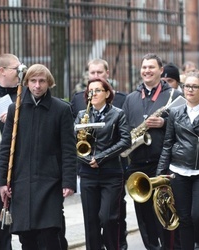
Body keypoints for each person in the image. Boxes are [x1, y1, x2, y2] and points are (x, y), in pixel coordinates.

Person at [0, 64, 77, 250]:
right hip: (22, 182)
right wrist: (2, 182)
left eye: (42, 81)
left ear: (49, 83)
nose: (37, 86)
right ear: (26, 83)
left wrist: (68, 182)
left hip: (50, 183)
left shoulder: (61, 109)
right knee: (27, 239)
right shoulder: (15, 109)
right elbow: (6, 148)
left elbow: (68, 150)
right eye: (33, 81)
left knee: (50, 236)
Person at [157, 71, 199, 250]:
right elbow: (167, 144)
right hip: (178, 171)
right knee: (184, 217)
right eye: (186, 86)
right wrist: (159, 174)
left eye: (194, 86)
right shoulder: (174, 113)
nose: (189, 89)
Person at [122, 53, 182, 250]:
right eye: (144, 67)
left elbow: (186, 127)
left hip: (163, 163)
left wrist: (165, 123)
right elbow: (124, 130)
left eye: (151, 67)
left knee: (165, 214)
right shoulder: (131, 98)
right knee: (144, 216)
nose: (147, 71)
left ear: (161, 70)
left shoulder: (174, 95)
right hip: (137, 165)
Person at [70, 58, 128, 250]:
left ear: (107, 93)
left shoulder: (118, 114)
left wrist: (101, 157)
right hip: (88, 173)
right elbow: (73, 143)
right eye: (90, 91)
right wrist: (87, 159)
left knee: (108, 218)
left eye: (98, 90)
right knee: (91, 221)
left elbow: (125, 141)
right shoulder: (81, 115)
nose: (93, 94)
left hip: (111, 173)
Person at [0, 53, 23, 250]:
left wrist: (13, 120)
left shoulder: (24, 91)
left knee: (23, 225)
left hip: (19, 168)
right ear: (2, 71)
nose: (21, 72)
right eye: (16, 69)